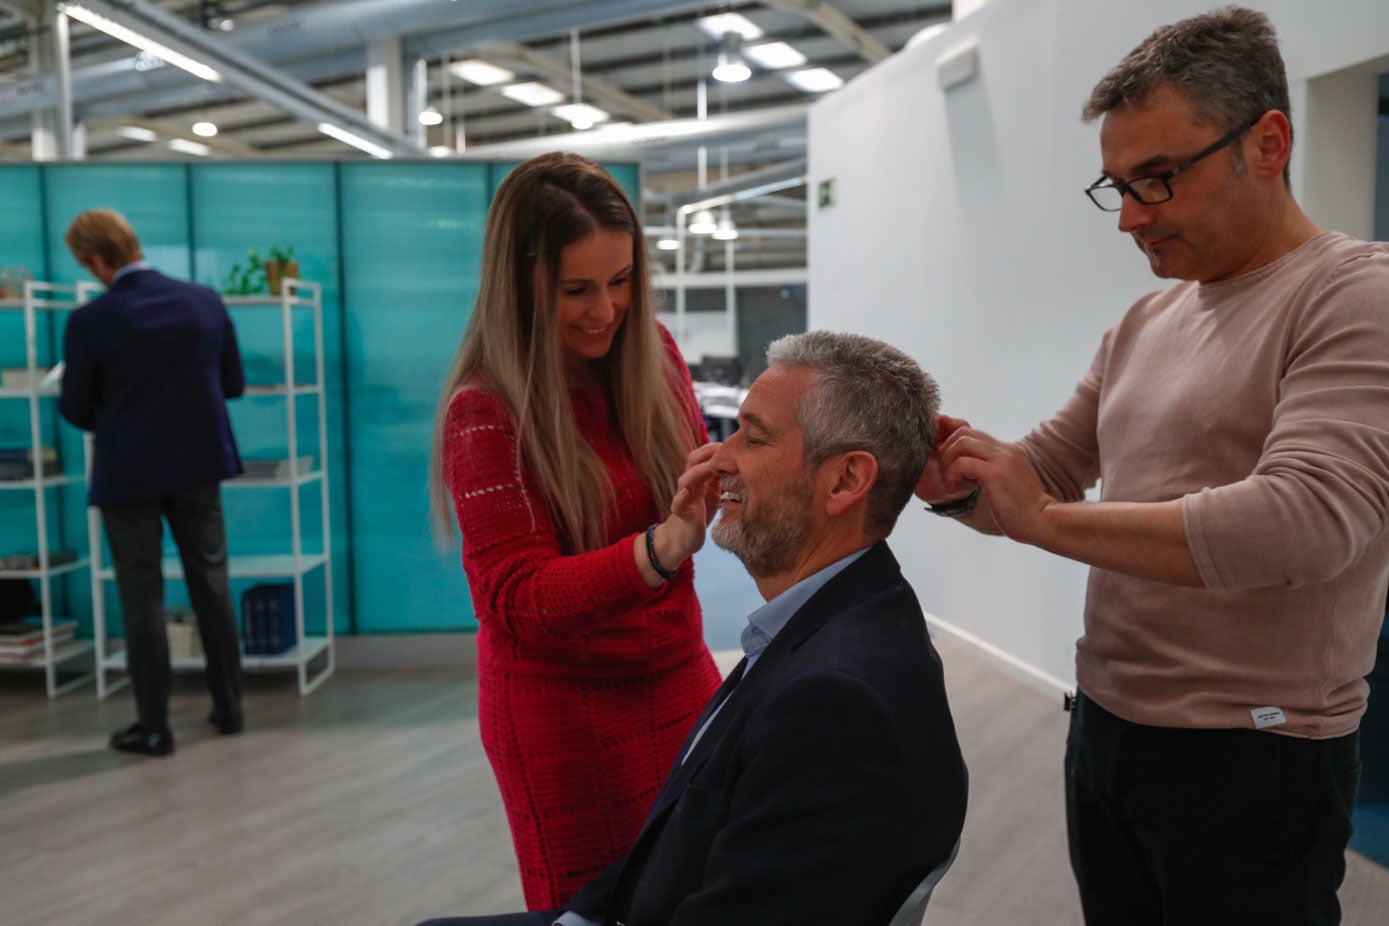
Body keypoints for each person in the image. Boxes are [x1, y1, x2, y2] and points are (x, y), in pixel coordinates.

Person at [919, 8, 1389, 925]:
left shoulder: (1355, 292)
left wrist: (1043, 520)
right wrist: (955, 477)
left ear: (1267, 141)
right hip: (1106, 725)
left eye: (1157, 180)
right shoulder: (1144, 322)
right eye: (1118, 187)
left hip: (1253, 758)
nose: (1130, 217)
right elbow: (1046, 469)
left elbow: (1306, 522)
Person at [420, 330, 968, 926]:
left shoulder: (832, 703)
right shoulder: (835, 622)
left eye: (753, 437)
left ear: (843, 481)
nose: (716, 457)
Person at [429, 152, 722, 910]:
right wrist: (659, 549)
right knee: (598, 909)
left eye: (621, 281)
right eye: (577, 290)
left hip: (679, 674)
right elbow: (516, 597)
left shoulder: (653, 354)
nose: (606, 309)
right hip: (563, 717)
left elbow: (693, 490)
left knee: (702, 895)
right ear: (520, 283)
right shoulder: (486, 410)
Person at [60, 208, 246, 757]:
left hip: (128, 473)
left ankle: (155, 727)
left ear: (96, 259)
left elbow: (75, 408)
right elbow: (232, 386)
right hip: (199, 465)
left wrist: (118, 420)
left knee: (141, 598)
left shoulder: (91, 320)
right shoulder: (204, 301)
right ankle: (230, 709)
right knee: (210, 585)